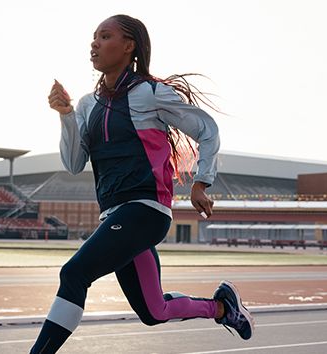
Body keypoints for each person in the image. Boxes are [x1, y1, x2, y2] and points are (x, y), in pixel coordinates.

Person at [31, 14, 253, 353]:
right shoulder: (88, 105)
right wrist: (65, 115)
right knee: (154, 311)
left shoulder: (151, 92)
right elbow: (74, 163)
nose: (95, 43)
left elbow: (207, 130)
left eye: (105, 36)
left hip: (146, 211)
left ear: (129, 46)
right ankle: (224, 308)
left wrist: (201, 183)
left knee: (74, 273)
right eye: (94, 37)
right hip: (115, 217)